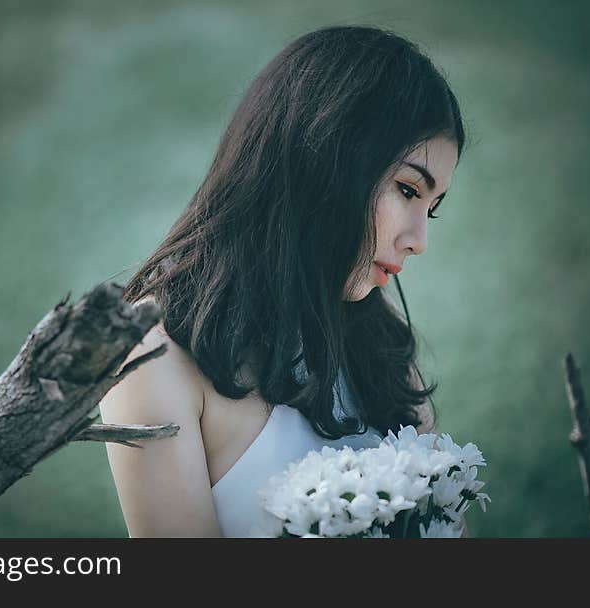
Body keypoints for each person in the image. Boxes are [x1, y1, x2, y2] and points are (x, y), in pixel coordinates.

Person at [99, 24, 466, 537]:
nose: (419, 239)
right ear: (327, 160)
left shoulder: (380, 346)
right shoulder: (157, 354)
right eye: (408, 189)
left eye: (433, 207)